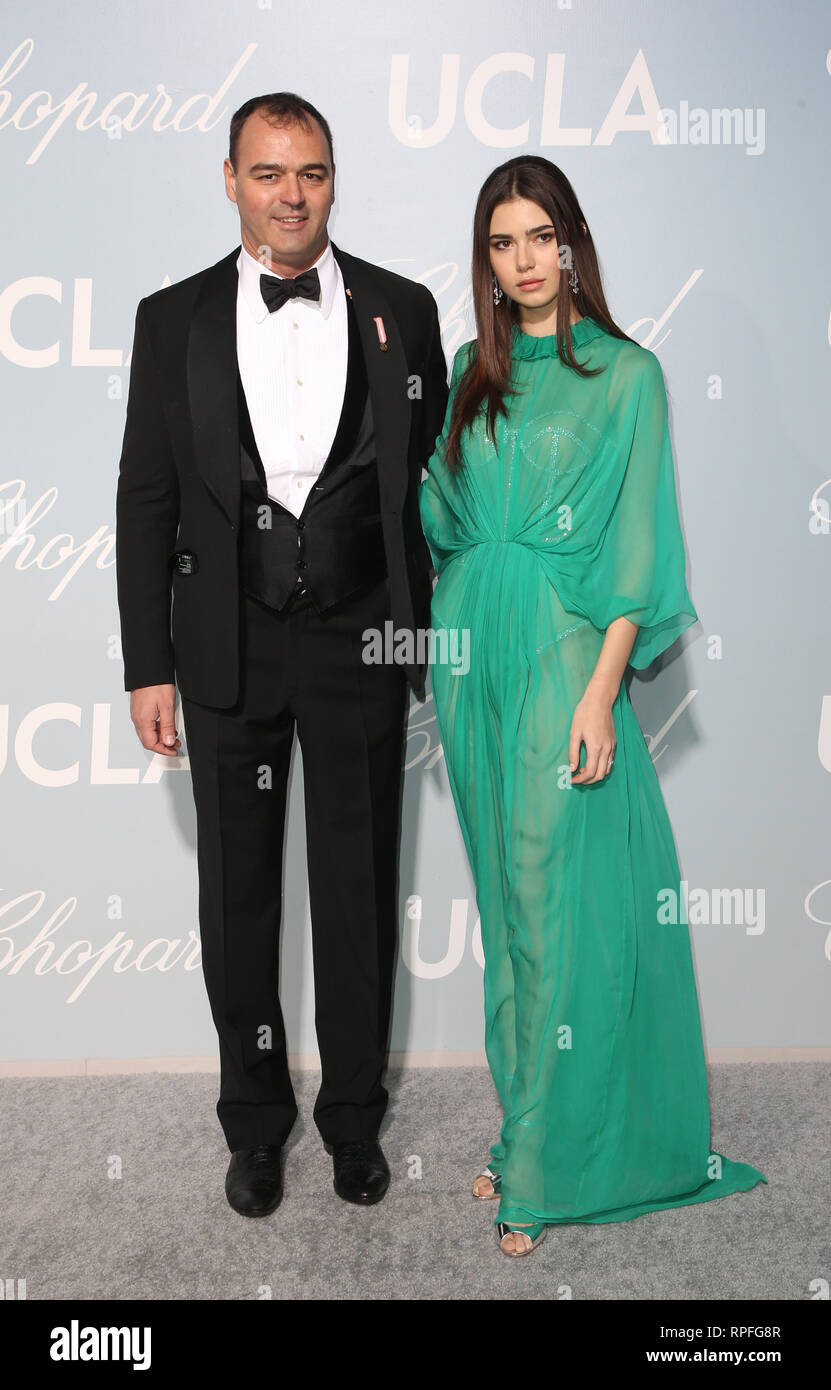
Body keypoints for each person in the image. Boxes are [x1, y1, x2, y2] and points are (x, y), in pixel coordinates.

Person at [418, 155, 766, 1257]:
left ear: (573, 242)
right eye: (501, 242)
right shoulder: (472, 364)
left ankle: (553, 1169)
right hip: (473, 655)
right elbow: (435, 510)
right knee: (512, 916)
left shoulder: (630, 374)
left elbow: (638, 549)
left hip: (569, 659)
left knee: (556, 904)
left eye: (539, 236)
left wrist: (604, 694)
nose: (523, 261)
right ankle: (527, 1128)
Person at [115, 92, 448, 1217]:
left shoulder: (404, 309)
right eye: (268, 172)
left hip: (361, 637)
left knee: (357, 897)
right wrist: (145, 664)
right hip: (226, 645)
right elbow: (145, 499)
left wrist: (430, 640)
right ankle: (255, 1124)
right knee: (238, 900)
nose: (291, 193)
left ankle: (354, 1121)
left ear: (333, 178)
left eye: (309, 171)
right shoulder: (172, 319)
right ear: (230, 179)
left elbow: (424, 498)